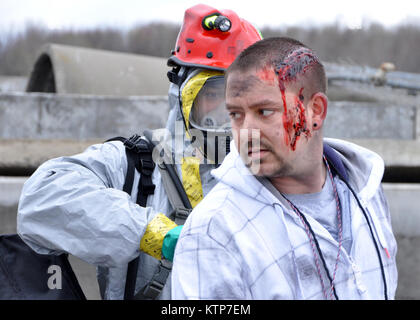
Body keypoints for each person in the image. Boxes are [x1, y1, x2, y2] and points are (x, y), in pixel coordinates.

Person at [17, 4, 262, 300]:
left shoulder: (274, 173)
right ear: (182, 95)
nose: (227, 111)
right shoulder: (136, 165)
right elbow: (40, 198)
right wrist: (153, 233)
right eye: (212, 94)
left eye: (240, 95)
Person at [171, 37, 398, 300]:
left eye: (265, 112)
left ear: (316, 111)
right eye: (235, 115)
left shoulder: (366, 191)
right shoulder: (215, 229)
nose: (246, 132)